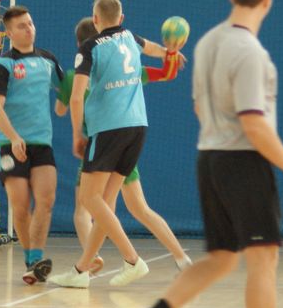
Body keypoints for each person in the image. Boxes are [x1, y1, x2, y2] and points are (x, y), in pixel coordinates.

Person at [123, 0, 283, 308]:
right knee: (263, 261)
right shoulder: (251, 52)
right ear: (268, 1)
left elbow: (199, 108)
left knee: (223, 258)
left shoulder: (207, 42)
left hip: (209, 159)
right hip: (244, 162)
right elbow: (254, 124)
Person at [48, 0, 172, 289]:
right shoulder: (130, 37)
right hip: (138, 127)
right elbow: (154, 49)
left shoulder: (89, 48)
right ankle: (81, 271)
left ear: (95, 19)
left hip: (109, 128)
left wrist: (77, 134)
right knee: (104, 202)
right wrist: (170, 53)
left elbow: (76, 98)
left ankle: (132, 259)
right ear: (121, 18)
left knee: (89, 199)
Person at [61, 17, 191, 275]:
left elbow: (62, 106)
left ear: (80, 44)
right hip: (125, 140)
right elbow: (167, 74)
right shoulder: (126, 69)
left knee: (86, 207)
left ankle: (115, 260)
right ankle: (181, 258)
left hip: (99, 145)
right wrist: (170, 53)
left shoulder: (73, 76)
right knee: (135, 208)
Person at [0, 5, 66, 284]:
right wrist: (14, 137)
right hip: (9, 143)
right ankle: (31, 260)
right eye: (21, 26)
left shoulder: (48, 60)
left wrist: (65, 104)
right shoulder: (3, 65)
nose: (29, 28)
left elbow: (66, 92)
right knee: (20, 204)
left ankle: (37, 259)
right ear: (9, 33)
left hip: (41, 142)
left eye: (30, 23)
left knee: (46, 200)